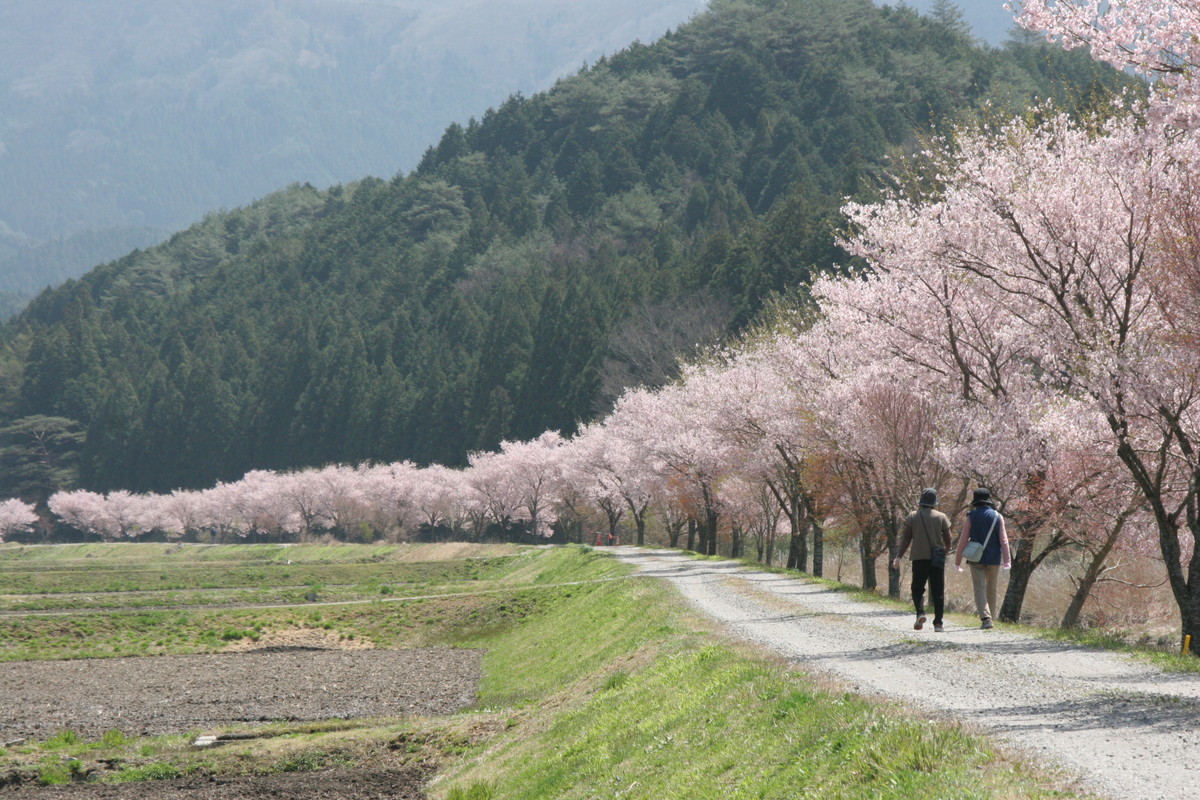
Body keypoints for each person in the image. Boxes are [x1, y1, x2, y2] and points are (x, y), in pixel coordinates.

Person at [892, 488, 952, 632]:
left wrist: (898, 556)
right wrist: (945, 551)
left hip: (919, 558)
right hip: (937, 558)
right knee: (938, 591)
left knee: (917, 588)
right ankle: (938, 624)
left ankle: (920, 613)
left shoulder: (913, 516)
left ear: (921, 501)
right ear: (934, 501)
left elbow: (906, 538)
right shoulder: (942, 516)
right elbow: (948, 538)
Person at [954, 487, 1011, 629]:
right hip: (994, 558)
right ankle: (991, 618)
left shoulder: (971, 516)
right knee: (991, 588)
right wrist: (1007, 560)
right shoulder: (998, 516)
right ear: (988, 501)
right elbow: (1004, 540)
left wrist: (957, 561)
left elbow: (963, 540)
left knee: (979, 587)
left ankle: (986, 618)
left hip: (975, 558)